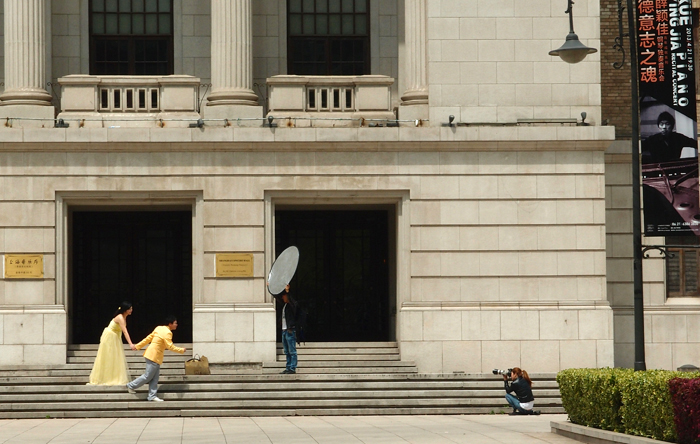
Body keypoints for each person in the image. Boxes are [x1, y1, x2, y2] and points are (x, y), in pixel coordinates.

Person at [126, 315, 186, 402]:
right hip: (154, 356)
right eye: (175, 323)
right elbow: (170, 346)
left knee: (154, 378)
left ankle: (152, 396)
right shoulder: (168, 333)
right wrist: (181, 350)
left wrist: (138, 346)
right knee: (148, 376)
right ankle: (131, 385)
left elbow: (148, 338)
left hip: (152, 355)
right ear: (170, 324)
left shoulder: (159, 328)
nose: (176, 325)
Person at [87, 302, 137, 386]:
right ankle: (105, 377)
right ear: (125, 310)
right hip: (110, 336)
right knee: (108, 356)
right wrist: (130, 344)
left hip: (115, 336)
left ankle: (113, 376)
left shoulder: (124, 317)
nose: (131, 310)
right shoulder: (120, 317)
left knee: (114, 357)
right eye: (130, 309)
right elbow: (125, 331)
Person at [275, 284, 298, 374]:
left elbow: (293, 302)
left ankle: (292, 368)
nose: (283, 297)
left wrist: (288, 291)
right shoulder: (284, 306)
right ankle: (288, 367)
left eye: (284, 296)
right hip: (284, 331)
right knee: (287, 351)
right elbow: (277, 297)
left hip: (290, 330)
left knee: (292, 350)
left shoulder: (291, 306)